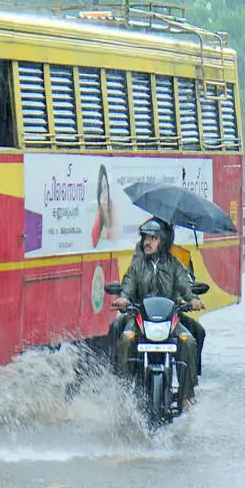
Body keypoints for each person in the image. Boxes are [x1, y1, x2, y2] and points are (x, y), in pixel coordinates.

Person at [110, 218, 205, 408]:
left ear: (163, 241)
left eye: (153, 238)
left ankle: (187, 393)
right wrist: (123, 298)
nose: (148, 242)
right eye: (146, 237)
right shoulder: (137, 265)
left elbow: (184, 285)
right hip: (140, 318)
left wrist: (193, 299)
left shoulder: (174, 265)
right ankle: (123, 389)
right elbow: (128, 285)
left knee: (193, 338)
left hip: (170, 319)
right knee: (121, 334)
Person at [91, 164, 118, 247]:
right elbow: (94, 241)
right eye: (101, 190)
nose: (104, 194)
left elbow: (115, 236)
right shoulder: (98, 214)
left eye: (106, 187)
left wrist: (106, 233)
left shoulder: (112, 206)